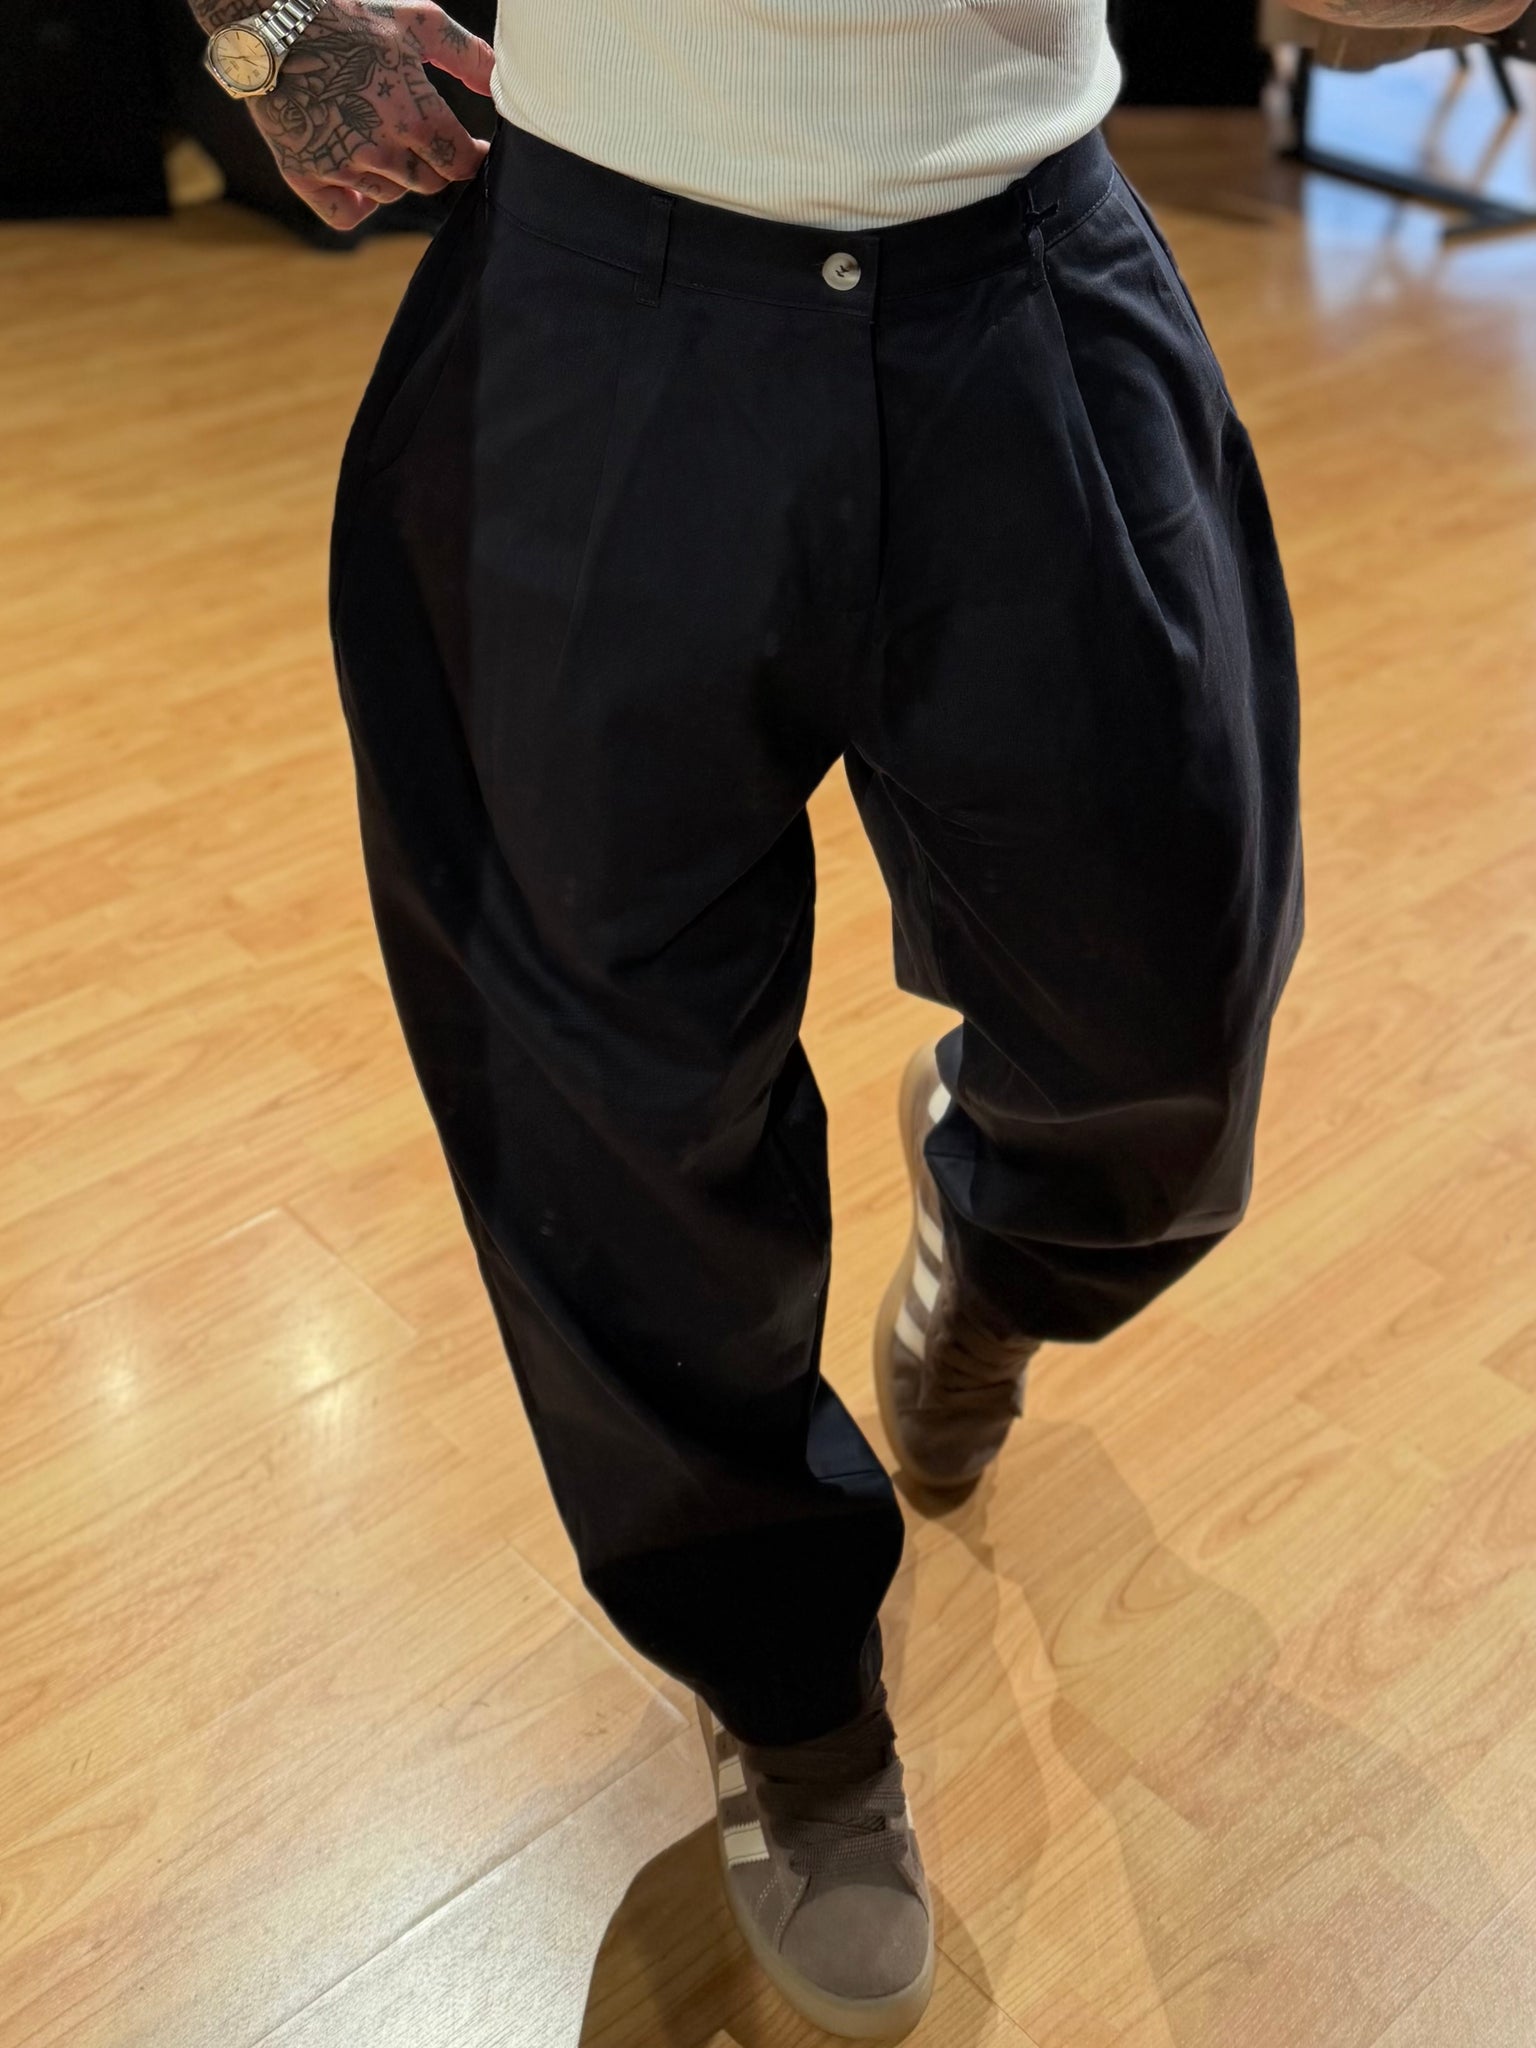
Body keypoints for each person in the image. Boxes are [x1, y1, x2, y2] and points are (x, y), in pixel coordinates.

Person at [189, 0, 1526, 2033]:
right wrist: (260, 21)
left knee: (1168, 1021)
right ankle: (788, 1689)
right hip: (595, 285)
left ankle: (1003, 1238)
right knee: (604, 1104)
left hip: (1023, 268)